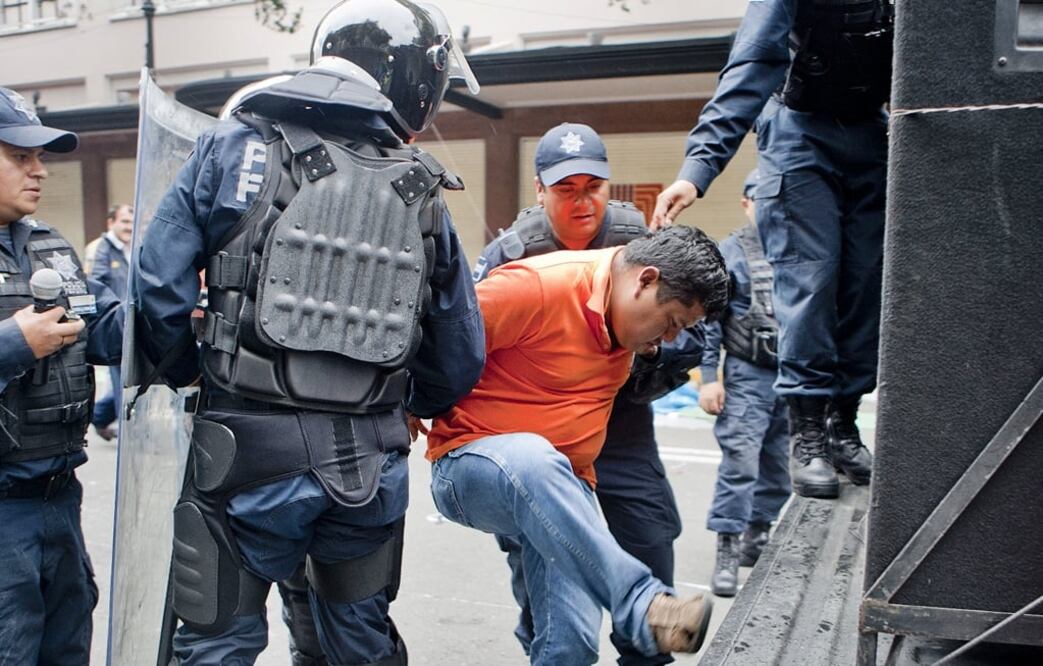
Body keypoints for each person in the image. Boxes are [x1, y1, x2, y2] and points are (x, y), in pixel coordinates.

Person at [132, 1, 485, 663]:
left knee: (220, 641)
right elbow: (460, 354)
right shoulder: (422, 186)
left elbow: (157, 289)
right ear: (414, 75)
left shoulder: (231, 147)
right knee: (357, 641)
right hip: (371, 465)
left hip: (243, 453)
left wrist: (194, 368)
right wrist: (404, 400)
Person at [426, 225, 729, 665]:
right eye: (670, 325)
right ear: (645, 280)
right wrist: (406, 404)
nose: (666, 341)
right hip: (470, 468)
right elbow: (437, 340)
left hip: (563, 492)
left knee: (572, 646)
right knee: (537, 458)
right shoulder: (534, 287)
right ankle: (642, 602)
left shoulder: (626, 321)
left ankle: (629, 609)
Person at [473, 122, 704, 666]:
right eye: (565, 189)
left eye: (592, 187)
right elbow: (463, 347)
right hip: (536, 434)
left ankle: (644, 650)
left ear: (609, 185)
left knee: (648, 538)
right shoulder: (511, 257)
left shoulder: (643, 243)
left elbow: (691, 333)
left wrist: (641, 355)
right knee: (544, 574)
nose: (582, 201)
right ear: (539, 191)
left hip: (621, 427)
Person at [651, 0, 887, 498]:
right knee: (812, 277)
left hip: (873, 130)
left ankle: (843, 425)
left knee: (867, 281)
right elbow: (753, 63)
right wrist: (698, 170)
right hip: (800, 133)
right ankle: (808, 433)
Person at [0, 86, 124, 663]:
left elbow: (102, 329)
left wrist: (186, 315)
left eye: (40, 158)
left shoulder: (49, 245)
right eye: (19, 157)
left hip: (59, 499)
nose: (38, 171)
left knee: (66, 648)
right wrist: (13, 345)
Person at [698, 170, 790, 597]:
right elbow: (711, 323)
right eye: (760, 199)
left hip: (791, 376)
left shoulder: (798, 248)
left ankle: (757, 534)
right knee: (741, 464)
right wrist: (708, 379)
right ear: (746, 203)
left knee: (780, 466)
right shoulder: (731, 252)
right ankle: (728, 549)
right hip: (746, 374)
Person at [89, 202, 133, 441]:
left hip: (130, 323)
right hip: (116, 325)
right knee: (121, 384)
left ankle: (99, 416)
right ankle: (126, 439)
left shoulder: (130, 248)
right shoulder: (103, 249)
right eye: (124, 222)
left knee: (123, 381)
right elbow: (96, 286)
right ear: (111, 222)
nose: (129, 227)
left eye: (131, 222)